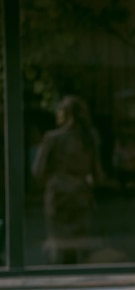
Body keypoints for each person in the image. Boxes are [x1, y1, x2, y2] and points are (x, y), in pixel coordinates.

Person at [32, 95, 104, 264]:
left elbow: (37, 171)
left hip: (58, 196)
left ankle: (61, 281)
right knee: (81, 245)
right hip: (81, 195)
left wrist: (52, 180)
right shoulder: (90, 138)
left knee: (60, 244)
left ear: (65, 114)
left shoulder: (52, 138)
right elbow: (98, 175)